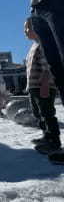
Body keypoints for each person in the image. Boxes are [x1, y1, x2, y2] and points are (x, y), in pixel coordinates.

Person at [25, 18, 61, 154]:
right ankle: (46, 136)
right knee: (38, 113)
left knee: (47, 113)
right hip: (34, 86)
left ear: (37, 29)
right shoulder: (33, 46)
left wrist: (45, 83)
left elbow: (47, 66)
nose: (25, 32)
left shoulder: (44, 44)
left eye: (27, 28)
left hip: (43, 86)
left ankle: (54, 141)